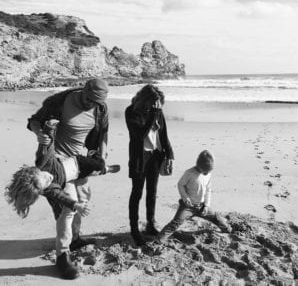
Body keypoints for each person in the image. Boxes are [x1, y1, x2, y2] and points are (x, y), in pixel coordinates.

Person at [27, 78, 109, 279]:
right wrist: (40, 133)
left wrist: (102, 155)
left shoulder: (100, 108)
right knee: (69, 206)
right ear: (84, 91)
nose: (92, 104)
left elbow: (103, 133)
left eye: (96, 101)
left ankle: (75, 238)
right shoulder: (60, 101)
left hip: (79, 163)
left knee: (83, 199)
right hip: (56, 162)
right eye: (90, 99)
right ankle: (62, 255)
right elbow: (33, 121)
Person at [5, 119, 120, 221]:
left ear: (36, 171)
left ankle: (93, 153)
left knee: (98, 165)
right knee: (93, 172)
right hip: (77, 175)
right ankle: (106, 170)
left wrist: (49, 128)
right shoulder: (48, 189)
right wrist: (76, 205)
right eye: (46, 183)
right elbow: (61, 196)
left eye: (45, 177)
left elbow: (47, 148)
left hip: (78, 162)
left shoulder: (43, 162)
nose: (49, 179)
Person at [125, 84, 174, 246]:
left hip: (155, 155)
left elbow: (164, 134)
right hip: (140, 157)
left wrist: (170, 155)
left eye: (159, 104)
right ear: (145, 101)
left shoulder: (158, 112)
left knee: (152, 191)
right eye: (154, 103)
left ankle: (150, 224)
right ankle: (134, 229)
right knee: (137, 192)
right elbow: (139, 135)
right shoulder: (131, 111)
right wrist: (153, 114)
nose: (157, 106)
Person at [158, 150, 232, 242]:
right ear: (199, 165)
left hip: (201, 206)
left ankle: (229, 229)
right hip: (187, 207)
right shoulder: (189, 173)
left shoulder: (208, 174)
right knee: (175, 223)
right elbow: (180, 184)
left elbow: (208, 190)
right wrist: (185, 197)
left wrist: (206, 205)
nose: (206, 173)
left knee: (216, 218)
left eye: (208, 171)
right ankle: (159, 240)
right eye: (204, 171)